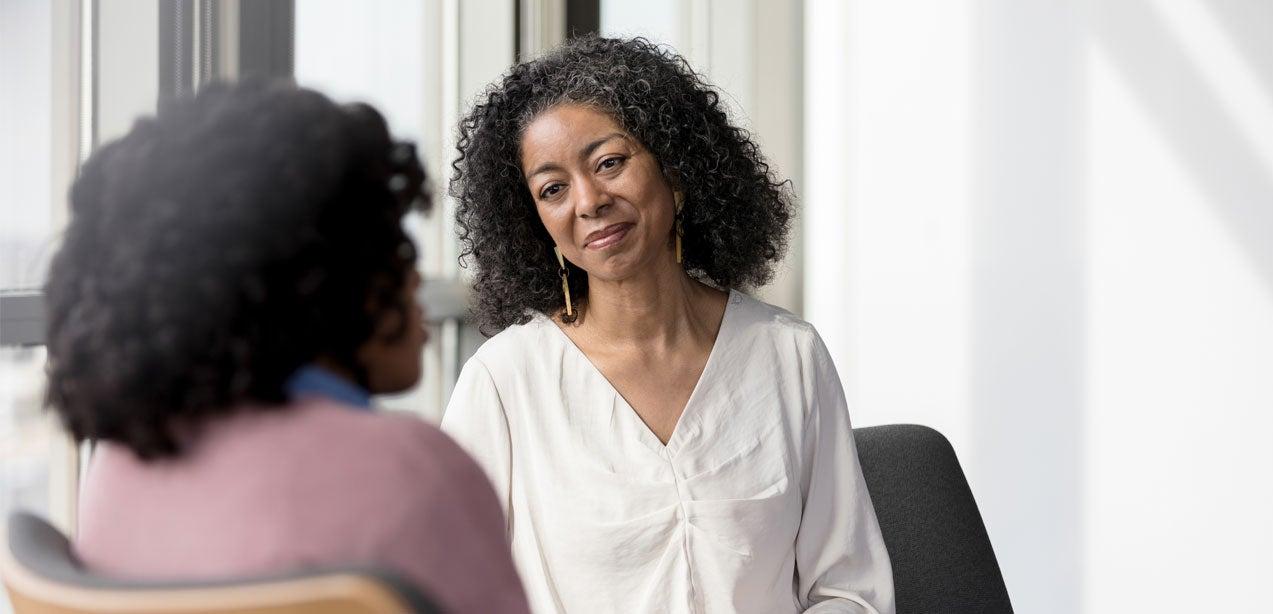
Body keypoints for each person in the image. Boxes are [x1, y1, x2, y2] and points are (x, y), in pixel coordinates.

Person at [442, 37, 894, 613]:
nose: (589, 201)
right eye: (553, 189)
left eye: (610, 162)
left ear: (676, 170)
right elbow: (449, 592)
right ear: (535, 222)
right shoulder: (504, 382)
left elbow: (848, 590)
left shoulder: (789, 356)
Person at [44, 80, 529, 614]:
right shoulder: (411, 474)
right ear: (316, 280)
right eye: (391, 244)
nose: (414, 277)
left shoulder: (119, 466)